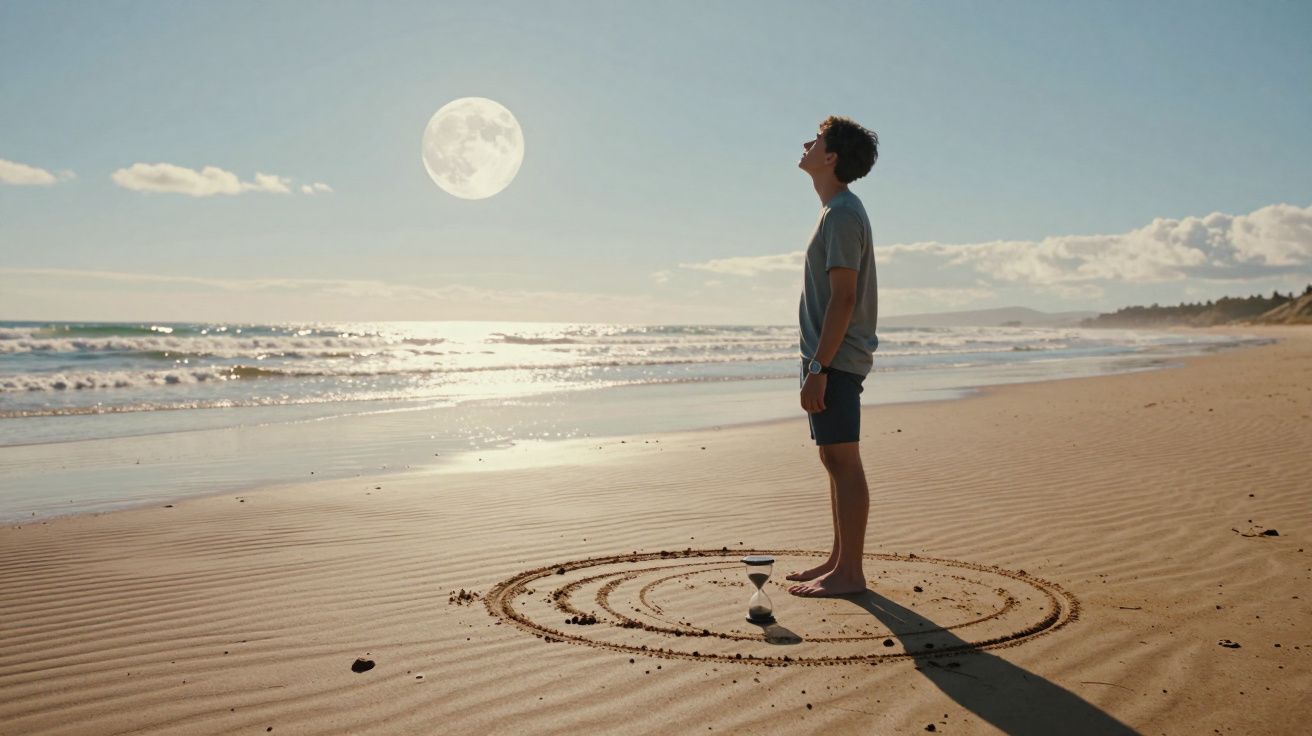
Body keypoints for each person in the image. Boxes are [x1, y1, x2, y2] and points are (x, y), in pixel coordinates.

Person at [787, 115, 880, 598]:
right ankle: (838, 559)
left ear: (831, 157)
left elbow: (845, 298)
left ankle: (851, 574)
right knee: (832, 459)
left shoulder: (842, 213)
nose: (806, 143)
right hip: (827, 358)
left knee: (844, 460)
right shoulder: (836, 211)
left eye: (817, 139)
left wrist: (820, 368)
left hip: (835, 359)